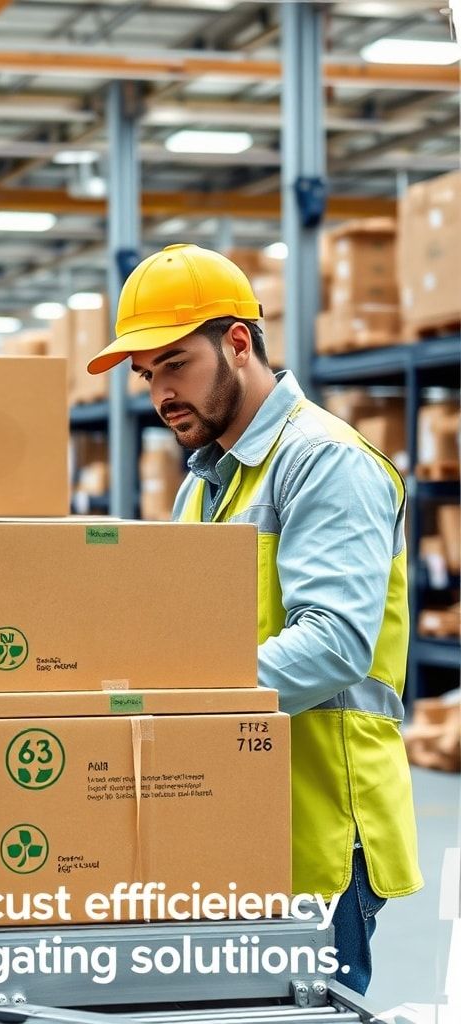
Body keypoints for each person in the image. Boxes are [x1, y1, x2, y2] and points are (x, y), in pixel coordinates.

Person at [86, 243, 422, 995]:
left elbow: (334, 644)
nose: (161, 393)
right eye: (146, 375)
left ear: (238, 342)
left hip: (317, 830)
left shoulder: (324, 462)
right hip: (231, 819)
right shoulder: (204, 485)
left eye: (175, 364)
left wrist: (177, 702)